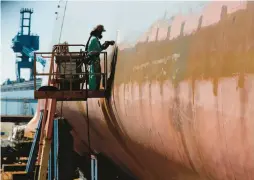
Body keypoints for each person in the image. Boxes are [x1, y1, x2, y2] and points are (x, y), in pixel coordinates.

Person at [85, 24, 115, 90]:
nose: (101, 34)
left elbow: (99, 48)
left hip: (94, 60)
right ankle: (94, 88)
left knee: (95, 75)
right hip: (94, 60)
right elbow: (99, 49)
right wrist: (107, 43)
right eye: (101, 32)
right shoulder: (94, 39)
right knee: (95, 76)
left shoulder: (93, 38)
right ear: (98, 32)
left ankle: (95, 88)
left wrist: (107, 43)